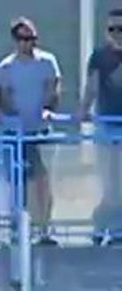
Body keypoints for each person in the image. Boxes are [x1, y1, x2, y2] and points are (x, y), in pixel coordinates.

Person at [0, 16, 62, 244]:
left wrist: (47, 109)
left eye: (32, 38)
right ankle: (18, 231)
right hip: (15, 135)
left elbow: (53, 89)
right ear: (15, 40)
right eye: (23, 38)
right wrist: (14, 120)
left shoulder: (47, 61)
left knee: (42, 181)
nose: (28, 43)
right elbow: (3, 98)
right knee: (18, 183)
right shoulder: (6, 67)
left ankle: (43, 229)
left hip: (40, 133)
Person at [78, 8, 122, 243]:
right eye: (112, 29)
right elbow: (92, 88)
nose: (117, 34)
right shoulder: (100, 56)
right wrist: (83, 111)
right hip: (108, 127)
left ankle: (115, 230)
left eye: (121, 29)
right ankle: (103, 227)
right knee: (111, 183)